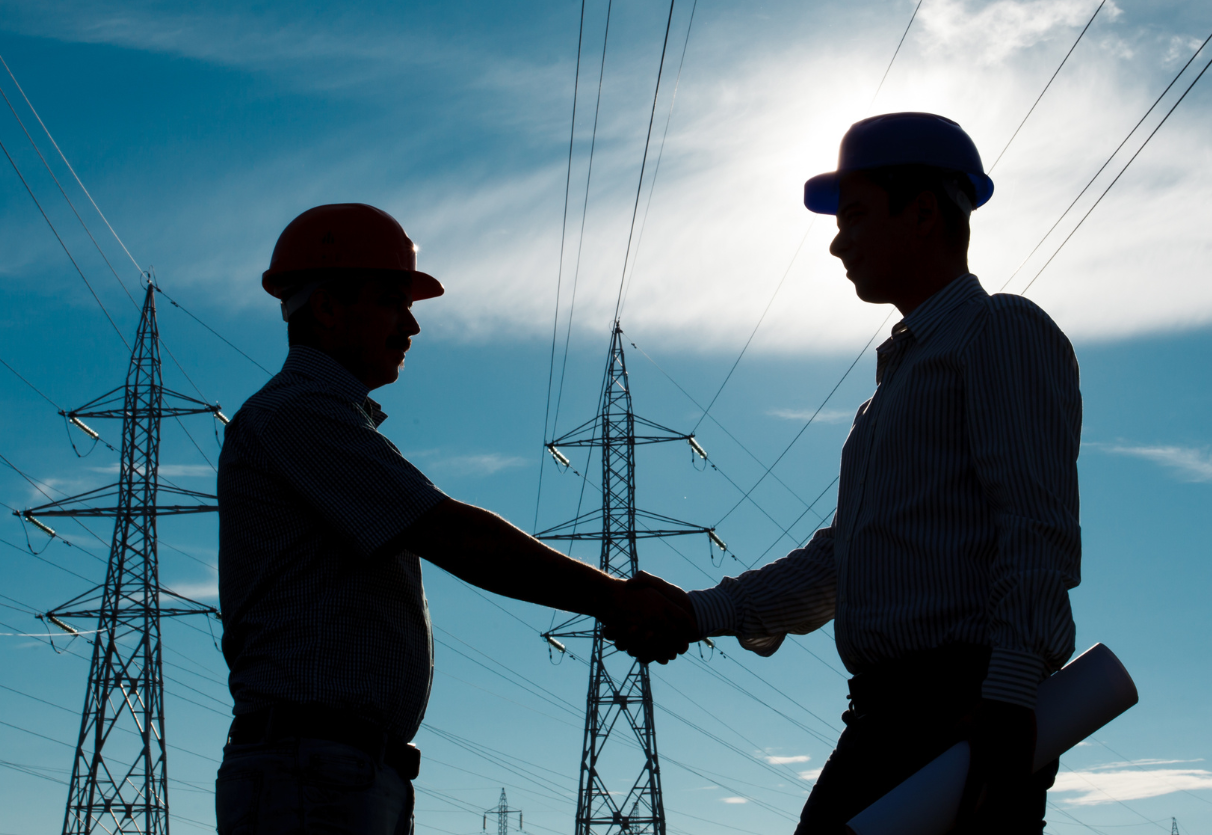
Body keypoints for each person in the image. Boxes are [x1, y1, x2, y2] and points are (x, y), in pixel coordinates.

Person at [615, 113, 1082, 834]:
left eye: (856, 214)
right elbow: (841, 562)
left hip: (963, 712)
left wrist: (1011, 694)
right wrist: (696, 610)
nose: (837, 240)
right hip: (892, 716)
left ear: (924, 212)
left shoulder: (1000, 332)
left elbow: (1035, 522)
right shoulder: (892, 390)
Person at [214, 203, 697, 835]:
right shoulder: (300, 416)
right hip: (313, 772)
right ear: (328, 307)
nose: (411, 325)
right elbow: (455, 535)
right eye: (392, 300)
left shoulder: (319, 419)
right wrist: (617, 599)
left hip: (334, 770)